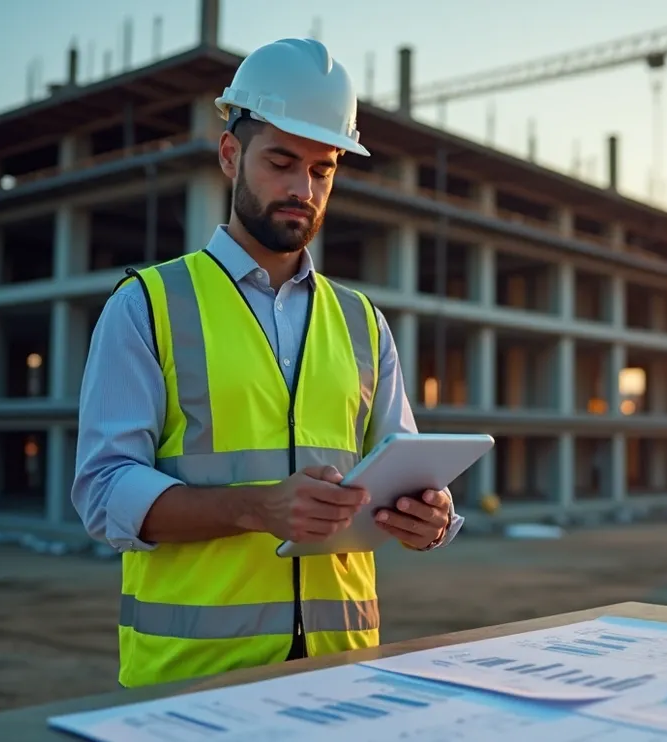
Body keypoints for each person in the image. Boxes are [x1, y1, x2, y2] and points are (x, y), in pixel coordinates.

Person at [71, 37, 464, 689]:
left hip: (343, 676)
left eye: (323, 169)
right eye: (282, 162)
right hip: (189, 682)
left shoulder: (364, 324)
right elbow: (103, 491)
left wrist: (433, 518)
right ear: (231, 155)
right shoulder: (148, 305)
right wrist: (257, 509)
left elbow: (404, 471)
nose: (301, 188)